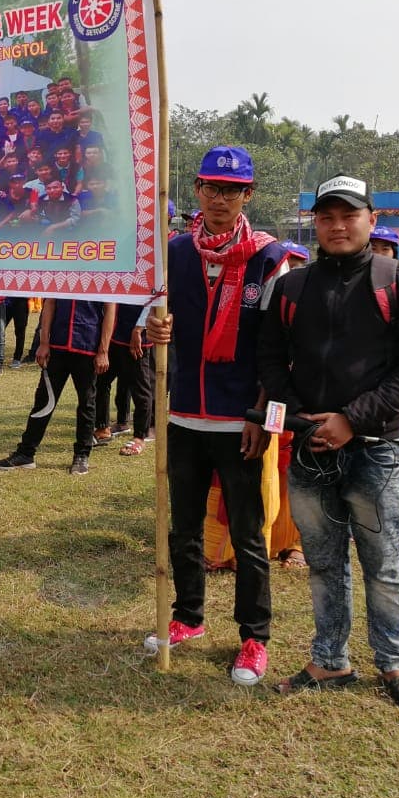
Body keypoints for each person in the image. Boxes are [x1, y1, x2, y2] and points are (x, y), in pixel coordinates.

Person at [256, 174, 399, 714]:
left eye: (349, 215)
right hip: (310, 446)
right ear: (315, 222)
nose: (337, 225)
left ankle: (394, 663)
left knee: (383, 563)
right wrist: (302, 423)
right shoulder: (290, 289)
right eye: (327, 216)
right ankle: (330, 658)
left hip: (376, 448)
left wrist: (352, 420)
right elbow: (269, 363)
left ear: (371, 221)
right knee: (323, 562)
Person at [145, 146, 290, 686]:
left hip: (242, 421)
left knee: (249, 534)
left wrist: (262, 416)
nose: (220, 199)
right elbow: (152, 324)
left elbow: (280, 351)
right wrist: (153, 332)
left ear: (247, 195)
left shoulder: (270, 258)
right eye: (211, 188)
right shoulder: (174, 252)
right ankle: (188, 616)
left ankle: (254, 637)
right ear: (198, 191)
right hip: (184, 414)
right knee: (183, 526)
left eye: (231, 190)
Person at [0, 297, 114, 476]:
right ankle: (26, 453)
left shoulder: (102, 272)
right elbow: (49, 303)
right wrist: (43, 343)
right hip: (57, 345)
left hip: (87, 346)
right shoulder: (61, 271)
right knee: (43, 401)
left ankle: (82, 455)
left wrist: (103, 351)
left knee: (87, 403)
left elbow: (110, 308)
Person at [94, 303, 155, 456]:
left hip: (136, 336)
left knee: (140, 390)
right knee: (101, 380)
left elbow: (154, 299)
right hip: (114, 334)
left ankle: (140, 437)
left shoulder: (151, 277)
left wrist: (139, 328)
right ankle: (103, 428)